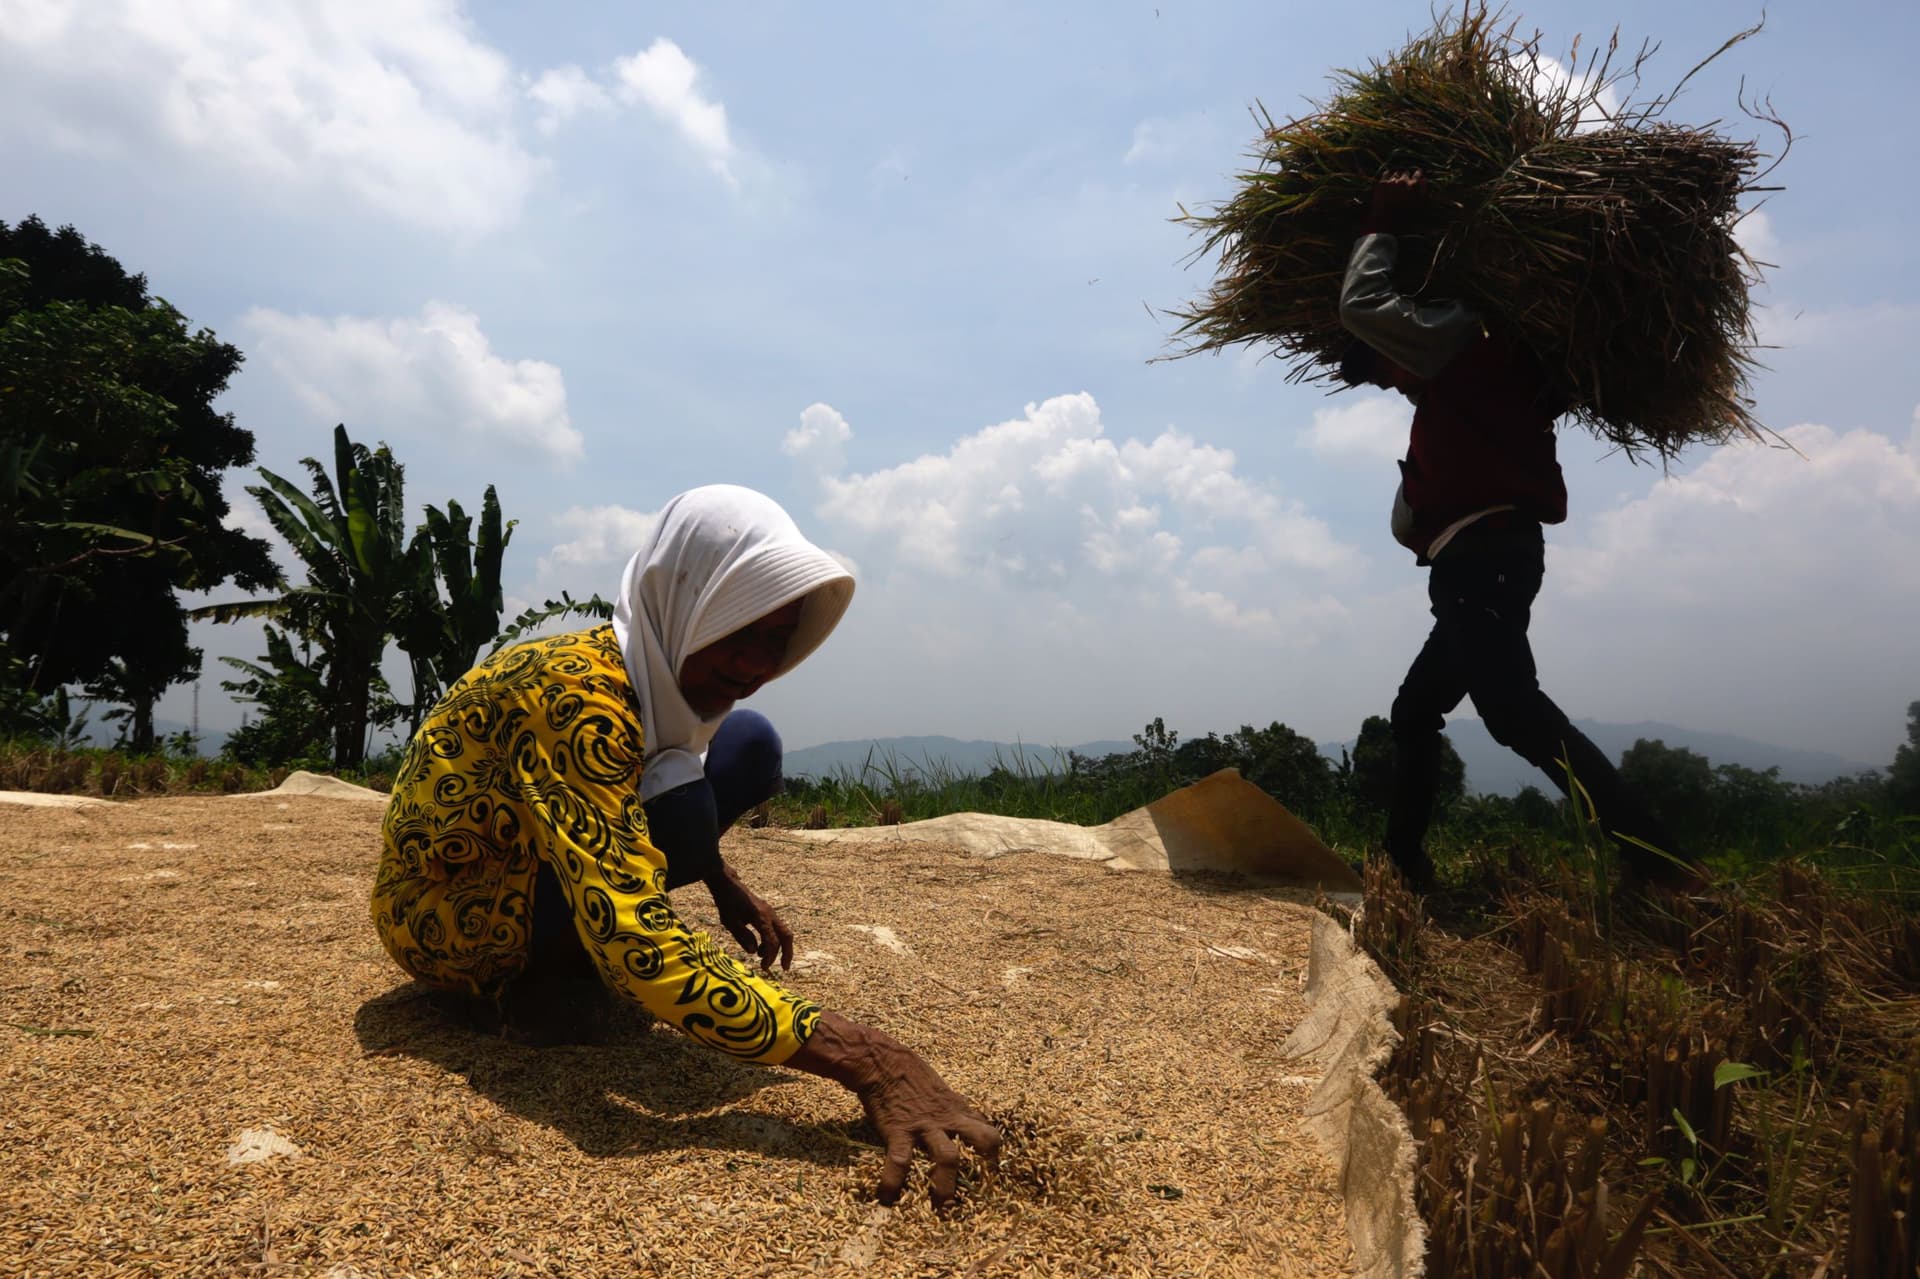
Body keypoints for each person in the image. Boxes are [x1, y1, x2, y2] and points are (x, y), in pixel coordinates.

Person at [372, 484, 1000, 1206]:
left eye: (777, 637)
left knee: (747, 744)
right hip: (447, 913)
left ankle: (562, 953)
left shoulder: (646, 675)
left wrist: (719, 876)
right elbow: (635, 942)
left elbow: (647, 790)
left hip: (537, 859)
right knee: (623, 927)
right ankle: (529, 985)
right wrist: (872, 1059)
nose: (756, 663)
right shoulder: (575, 696)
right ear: (682, 602)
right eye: (739, 629)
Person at [1336, 169, 1702, 894]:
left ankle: (1660, 861)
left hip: (1485, 561)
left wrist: (1382, 217)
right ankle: (1403, 861)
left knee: (1512, 713)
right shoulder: (1481, 379)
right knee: (1416, 711)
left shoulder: (1467, 339)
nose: (1385, 379)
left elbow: (1361, 305)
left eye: (1382, 368)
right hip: (1478, 565)